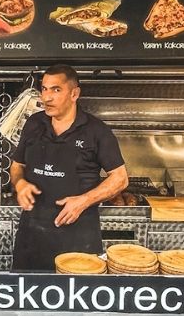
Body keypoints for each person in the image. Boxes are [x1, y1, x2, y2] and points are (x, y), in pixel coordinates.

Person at [10, 64, 128, 271]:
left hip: (78, 240)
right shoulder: (33, 124)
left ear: (74, 94)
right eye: (44, 89)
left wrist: (83, 201)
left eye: (56, 90)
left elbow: (120, 178)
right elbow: (17, 165)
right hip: (31, 238)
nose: (47, 97)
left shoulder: (96, 131)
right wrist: (20, 184)